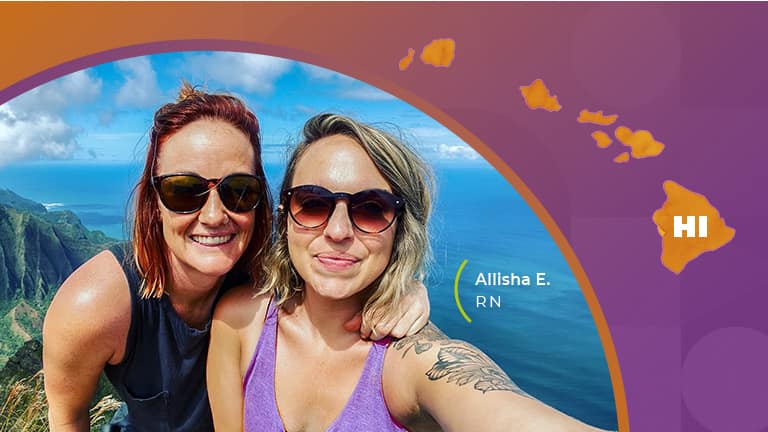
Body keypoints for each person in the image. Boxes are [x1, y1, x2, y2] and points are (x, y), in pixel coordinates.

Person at [42, 86, 430, 432]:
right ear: (153, 203)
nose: (214, 216)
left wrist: (405, 287)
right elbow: (67, 419)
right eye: (184, 190)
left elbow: (332, 263)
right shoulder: (95, 305)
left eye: (238, 191)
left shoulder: (264, 274)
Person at [207, 113, 613, 431]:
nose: (337, 231)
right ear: (286, 216)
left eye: (371, 209)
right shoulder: (241, 322)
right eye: (313, 203)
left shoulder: (409, 360)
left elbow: (494, 405)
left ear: (400, 229)